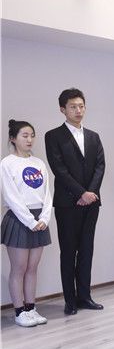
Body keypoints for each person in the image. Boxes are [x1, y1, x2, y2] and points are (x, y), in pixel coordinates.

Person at [45, 88, 105, 315]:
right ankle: (70, 301)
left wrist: (90, 192)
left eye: (81, 106)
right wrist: (81, 193)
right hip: (67, 203)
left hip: (92, 203)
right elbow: (59, 169)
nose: (78, 110)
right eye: (73, 107)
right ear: (63, 109)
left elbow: (100, 166)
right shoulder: (53, 136)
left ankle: (85, 297)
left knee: (87, 250)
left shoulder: (93, 136)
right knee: (69, 251)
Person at [1, 120, 52, 327]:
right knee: (19, 268)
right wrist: (30, 221)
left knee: (32, 268)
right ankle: (19, 312)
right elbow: (11, 196)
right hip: (19, 218)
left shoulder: (39, 163)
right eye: (24, 135)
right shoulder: (7, 163)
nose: (29, 139)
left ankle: (31, 308)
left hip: (39, 219)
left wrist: (45, 218)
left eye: (32, 135)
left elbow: (47, 194)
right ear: (13, 138)